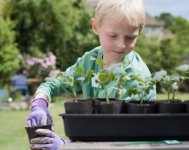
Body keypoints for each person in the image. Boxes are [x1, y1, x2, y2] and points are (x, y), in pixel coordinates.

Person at [27, 0, 156, 149]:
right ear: (96, 27)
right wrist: (39, 105)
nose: (121, 45)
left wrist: (68, 146)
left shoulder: (136, 77)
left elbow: (127, 138)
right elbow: (52, 85)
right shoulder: (90, 61)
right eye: (113, 35)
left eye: (130, 37)